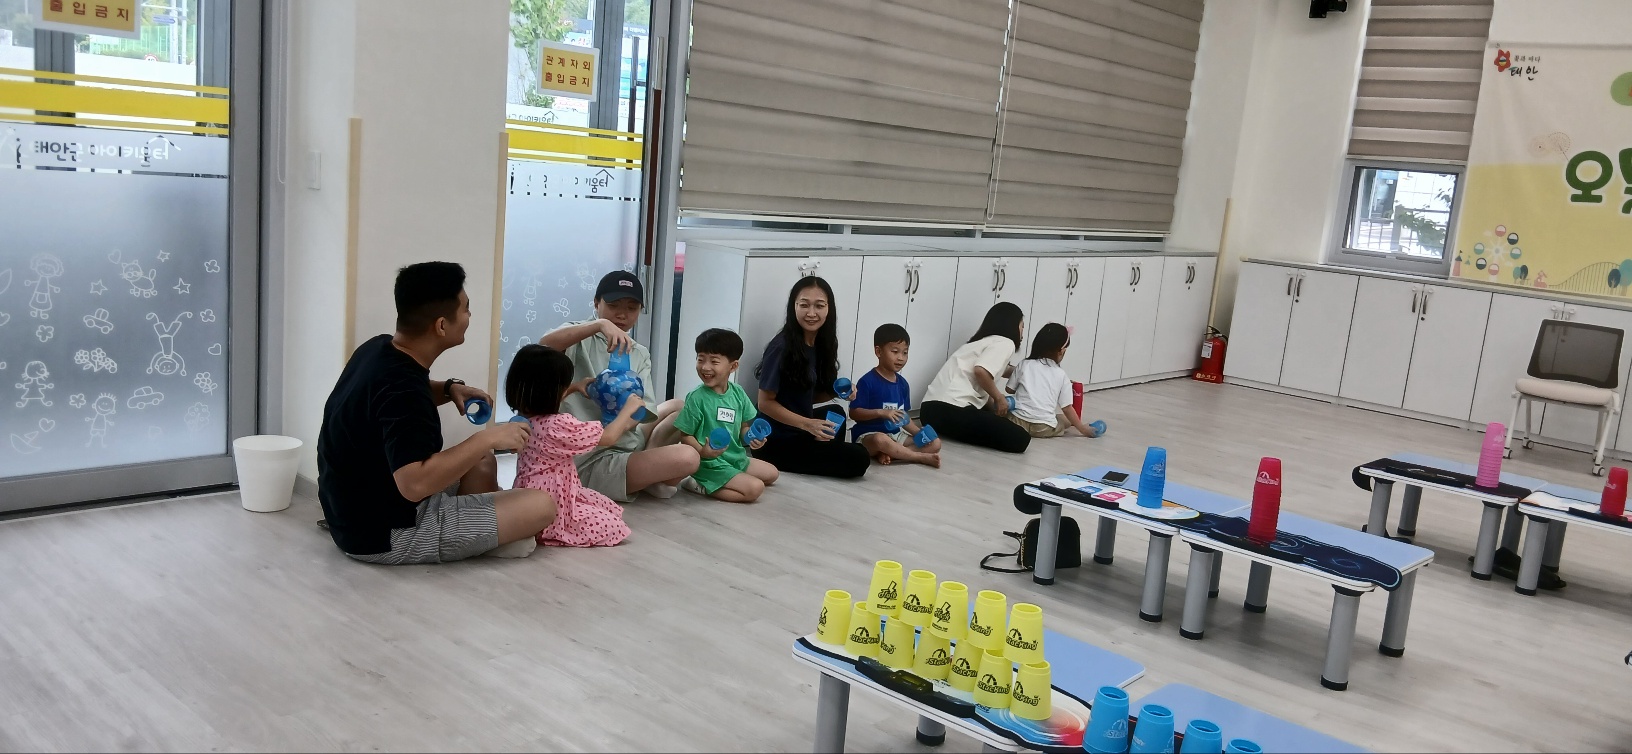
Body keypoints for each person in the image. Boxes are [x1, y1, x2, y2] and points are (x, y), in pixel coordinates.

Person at [317, 262, 557, 565]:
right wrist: (487, 438)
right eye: (466, 309)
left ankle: (481, 529)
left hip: (349, 511)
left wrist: (448, 389)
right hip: (387, 534)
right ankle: (484, 537)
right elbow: (414, 484)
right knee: (542, 505)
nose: (469, 316)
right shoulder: (405, 393)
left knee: (482, 463)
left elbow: (385, 401)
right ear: (442, 325)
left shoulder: (377, 349)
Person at [540, 270, 700, 503]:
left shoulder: (638, 352)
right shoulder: (578, 337)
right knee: (688, 457)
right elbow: (544, 347)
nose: (622, 314)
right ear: (596, 303)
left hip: (624, 439)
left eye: (631, 308)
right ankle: (648, 476)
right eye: (613, 305)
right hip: (590, 455)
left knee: (679, 407)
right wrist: (599, 325)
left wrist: (624, 419)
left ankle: (647, 471)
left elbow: (643, 409)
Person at [505, 344, 635, 547]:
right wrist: (628, 409)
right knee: (614, 525)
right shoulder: (558, 426)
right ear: (551, 392)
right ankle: (543, 531)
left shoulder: (521, 417)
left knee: (606, 506)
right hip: (555, 501)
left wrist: (574, 387)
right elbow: (608, 437)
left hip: (528, 495)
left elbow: (541, 400)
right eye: (564, 386)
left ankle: (530, 528)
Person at [751, 277, 871, 478]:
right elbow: (765, 403)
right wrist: (808, 424)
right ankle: (821, 449)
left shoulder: (821, 342)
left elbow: (806, 395)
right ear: (794, 307)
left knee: (836, 412)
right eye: (804, 305)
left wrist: (840, 391)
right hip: (774, 441)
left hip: (800, 428)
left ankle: (820, 447)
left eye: (819, 306)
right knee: (859, 458)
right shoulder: (780, 347)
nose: (812, 313)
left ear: (829, 308)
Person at [673, 329, 780, 502]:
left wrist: (752, 438)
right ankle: (697, 484)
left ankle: (730, 477)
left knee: (772, 474)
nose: (705, 367)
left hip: (734, 457)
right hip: (709, 463)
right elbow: (685, 435)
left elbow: (743, 428)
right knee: (754, 489)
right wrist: (703, 452)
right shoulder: (697, 397)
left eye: (714, 361)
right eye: (700, 359)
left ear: (733, 366)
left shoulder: (738, 392)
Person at [921, 302, 1032, 454]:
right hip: (951, 409)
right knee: (1021, 438)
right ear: (1012, 325)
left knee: (992, 419)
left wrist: (1028, 371)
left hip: (928, 412)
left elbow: (1002, 370)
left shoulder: (979, 343)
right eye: (1022, 326)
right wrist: (999, 398)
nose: (1023, 331)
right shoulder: (1006, 343)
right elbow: (981, 371)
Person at [849, 323, 942, 467]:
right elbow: (854, 413)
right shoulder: (867, 381)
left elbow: (903, 417)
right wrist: (881, 413)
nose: (901, 358)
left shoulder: (903, 384)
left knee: (935, 443)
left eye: (905, 353)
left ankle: (892, 454)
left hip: (896, 435)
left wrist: (919, 433)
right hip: (869, 436)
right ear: (878, 352)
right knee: (881, 440)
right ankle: (917, 457)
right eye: (895, 351)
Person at [1005, 322, 1101, 439]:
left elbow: (1009, 389)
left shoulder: (1024, 364)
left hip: (1017, 422)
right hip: (1043, 427)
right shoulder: (1062, 375)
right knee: (1065, 420)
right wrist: (1082, 429)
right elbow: (1067, 408)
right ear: (1061, 351)